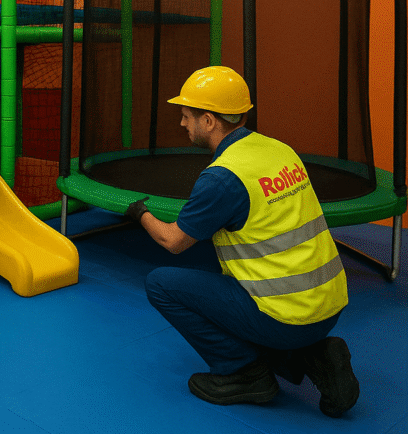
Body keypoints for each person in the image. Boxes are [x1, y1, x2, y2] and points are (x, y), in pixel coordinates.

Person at [126, 66, 359, 417]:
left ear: (208, 121)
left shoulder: (223, 179)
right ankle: (312, 356)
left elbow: (173, 241)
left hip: (287, 317)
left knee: (161, 284)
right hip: (330, 305)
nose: (182, 124)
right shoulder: (280, 150)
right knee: (221, 274)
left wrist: (139, 214)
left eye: (187, 116)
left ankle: (245, 374)